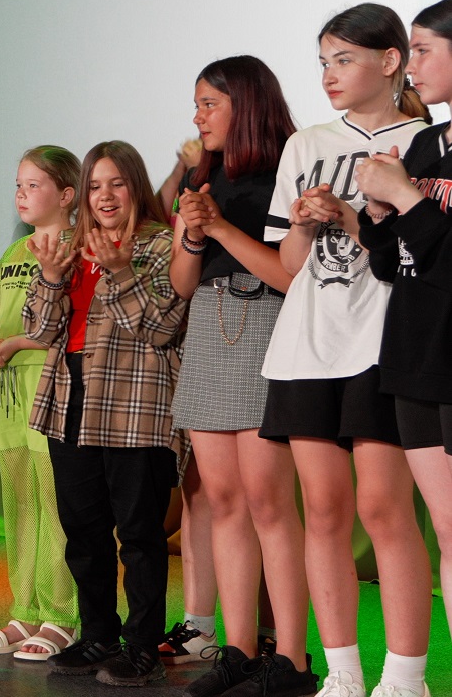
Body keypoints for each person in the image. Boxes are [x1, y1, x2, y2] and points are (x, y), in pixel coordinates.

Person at [261, 3, 432, 697]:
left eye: (344, 59)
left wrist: (354, 216)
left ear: (390, 61)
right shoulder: (304, 144)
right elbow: (288, 265)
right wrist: (307, 223)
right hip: (306, 345)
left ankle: (405, 676)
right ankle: (341, 673)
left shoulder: (425, 143)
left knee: (383, 509)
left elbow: (416, 250)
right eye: (323, 62)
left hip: (382, 340)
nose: (329, 75)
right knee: (323, 511)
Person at [26, 141, 187, 687]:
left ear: (135, 185)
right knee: (83, 532)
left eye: (116, 183)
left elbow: (161, 328)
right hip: (68, 404)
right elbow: (40, 330)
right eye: (95, 186)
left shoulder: (161, 245)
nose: (105, 196)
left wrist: (118, 271)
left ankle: (142, 646)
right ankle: (98, 634)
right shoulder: (69, 248)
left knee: (139, 536)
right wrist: (50, 277)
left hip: (134, 409)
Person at [168, 56, 304, 697]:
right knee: (222, 501)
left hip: (266, 327)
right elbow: (181, 283)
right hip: (209, 328)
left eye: (209, 104)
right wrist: (194, 233)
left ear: (244, 105)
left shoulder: (287, 170)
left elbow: (289, 276)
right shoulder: (202, 176)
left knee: (269, 503)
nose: (197, 117)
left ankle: (292, 659)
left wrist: (219, 225)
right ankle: (239, 651)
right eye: (197, 104)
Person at [355, 0, 452, 693]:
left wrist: (410, 200)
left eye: (422, 50)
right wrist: (376, 211)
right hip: (416, 350)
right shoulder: (424, 144)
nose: (410, 65)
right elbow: (395, 264)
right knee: (446, 528)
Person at [0, 146, 79, 658]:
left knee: (56, 506)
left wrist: (16, 345)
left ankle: (62, 614)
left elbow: (71, 320)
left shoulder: (79, 248)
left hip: (52, 390)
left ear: (67, 194)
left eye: (33, 185)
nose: (21, 194)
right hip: (6, 398)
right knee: (20, 505)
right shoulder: (14, 253)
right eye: (18, 184)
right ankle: (25, 609)